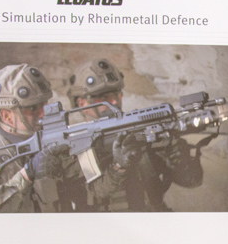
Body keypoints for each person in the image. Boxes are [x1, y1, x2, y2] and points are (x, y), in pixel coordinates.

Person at [67, 58, 213, 211]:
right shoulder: (76, 146)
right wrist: (119, 166)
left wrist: (173, 146)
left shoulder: (139, 133)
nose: (114, 102)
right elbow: (93, 194)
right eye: (104, 98)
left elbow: (192, 180)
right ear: (82, 104)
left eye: (116, 95)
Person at [0, 64, 67, 213]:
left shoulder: (49, 140)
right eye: (33, 108)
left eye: (43, 105)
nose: (42, 113)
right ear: (6, 116)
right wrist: (27, 174)